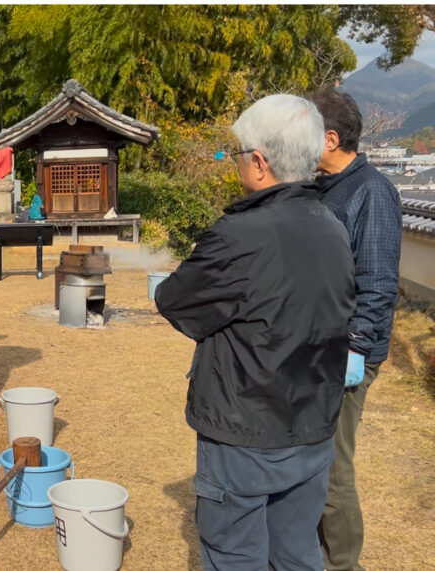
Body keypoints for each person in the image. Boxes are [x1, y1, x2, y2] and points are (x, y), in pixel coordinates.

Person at [155, 94, 355, 570]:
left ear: (260, 162)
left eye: (240, 154)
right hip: (313, 425)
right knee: (297, 554)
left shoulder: (239, 234)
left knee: (235, 556)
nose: (238, 164)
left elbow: (175, 300)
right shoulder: (333, 226)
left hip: (244, 431)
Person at [311, 87, 402, 571]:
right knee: (311, 457)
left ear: (329, 138)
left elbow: (379, 283)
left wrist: (357, 351)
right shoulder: (322, 187)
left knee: (332, 463)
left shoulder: (372, 191)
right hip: (315, 348)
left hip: (346, 354)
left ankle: (343, 563)